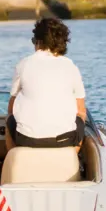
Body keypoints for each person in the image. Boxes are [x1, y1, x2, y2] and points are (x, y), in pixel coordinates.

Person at [5, 17, 86, 153]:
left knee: (9, 119)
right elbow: (81, 110)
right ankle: (71, 159)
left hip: (27, 139)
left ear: (38, 41)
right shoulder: (70, 66)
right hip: (64, 140)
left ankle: (13, 160)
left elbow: (11, 108)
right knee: (81, 119)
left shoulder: (24, 64)